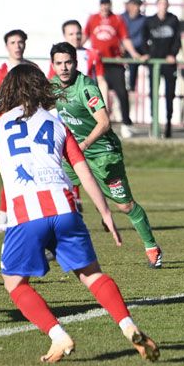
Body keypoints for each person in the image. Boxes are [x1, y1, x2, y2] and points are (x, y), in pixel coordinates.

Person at [0, 64, 159, 363]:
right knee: (92, 275)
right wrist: (105, 213)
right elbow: (82, 171)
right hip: (65, 209)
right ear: (41, 88)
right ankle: (128, 326)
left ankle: (58, 336)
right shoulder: (56, 122)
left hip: (26, 215)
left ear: (7, 90)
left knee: (15, 284)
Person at [49, 43, 163, 269]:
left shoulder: (86, 87)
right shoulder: (51, 86)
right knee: (56, 192)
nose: (64, 68)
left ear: (76, 63)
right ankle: (54, 245)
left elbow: (104, 122)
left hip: (103, 153)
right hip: (74, 152)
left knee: (125, 206)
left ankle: (152, 247)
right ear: (53, 65)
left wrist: (84, 144)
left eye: (68, 63)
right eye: (59, 63)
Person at [0, 29, 36, 234]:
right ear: (7, 46)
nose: (17, 46)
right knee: (12, 172)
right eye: (13, 42)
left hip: (29, 128)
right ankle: (4, 217)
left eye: (20, 42)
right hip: (7, 130)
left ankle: (15, 216)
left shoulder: (32, 70)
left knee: (24, 171)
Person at [84, 0, 144, 140]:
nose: (104, 8)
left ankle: (125, 124)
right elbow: (85, 36)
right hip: (98, 63)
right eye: (102, 5)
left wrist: (134, 53)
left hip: (114, 63)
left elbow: (125, 38)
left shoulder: (117, 19)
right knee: (94, 95)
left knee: (122, 93)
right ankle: (95, 124)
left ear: (110, 6)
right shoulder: (93, 19)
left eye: (107, 5)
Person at [143, 0, 182, 138]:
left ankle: (169, 125)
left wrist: (173, 54)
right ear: (157, 5)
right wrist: (146, 54)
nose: (163, 6)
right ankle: (154, 124)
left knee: (169, 94)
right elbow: (143, 39)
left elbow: (178, 40)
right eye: (160, 4)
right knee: (153, 93)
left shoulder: (173, 20)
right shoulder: (150, 21)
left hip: (169, 63)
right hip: (154, 63)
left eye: (165, 4)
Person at [120, 0, 148, 95]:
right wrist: (120, 45)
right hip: (121, 49)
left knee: (134, 60)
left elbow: (143, 40)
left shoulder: (144, 20)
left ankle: (131, 87)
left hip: (136, 50)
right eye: (134, 5)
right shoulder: (121, 18)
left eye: (138, 5)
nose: (136, 8)